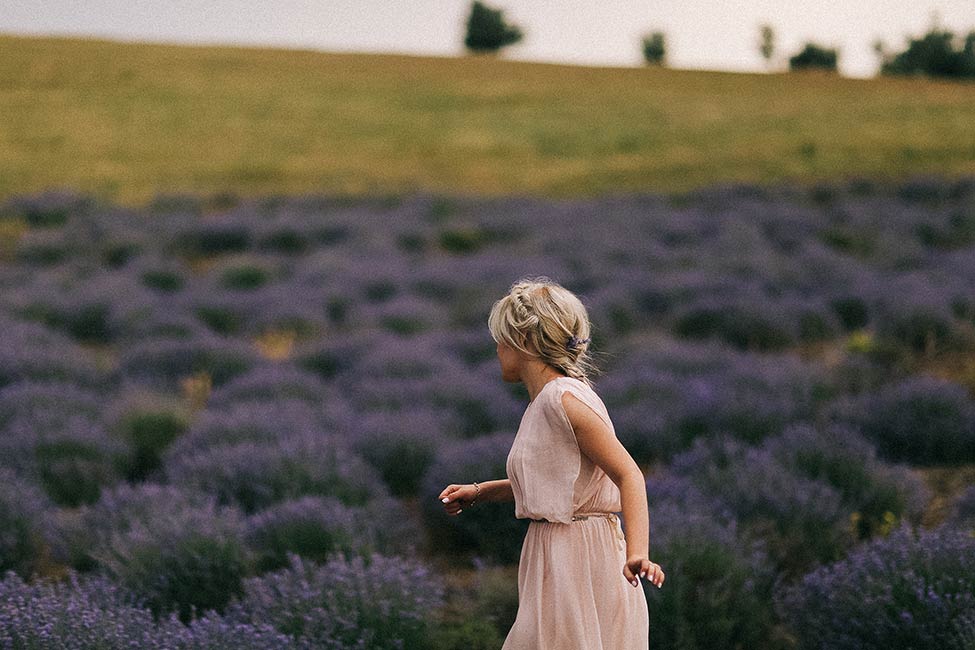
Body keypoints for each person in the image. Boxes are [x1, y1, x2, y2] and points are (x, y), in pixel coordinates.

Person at [439, 277, 664, 649]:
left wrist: (638, 553)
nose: (496, 348)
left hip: (577, 556)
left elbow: (629, 474)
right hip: (556, 553)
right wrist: (479, 492)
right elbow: (557, 484)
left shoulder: (563, 400)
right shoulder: (547, 401)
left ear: (525, 342)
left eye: (502, 338)